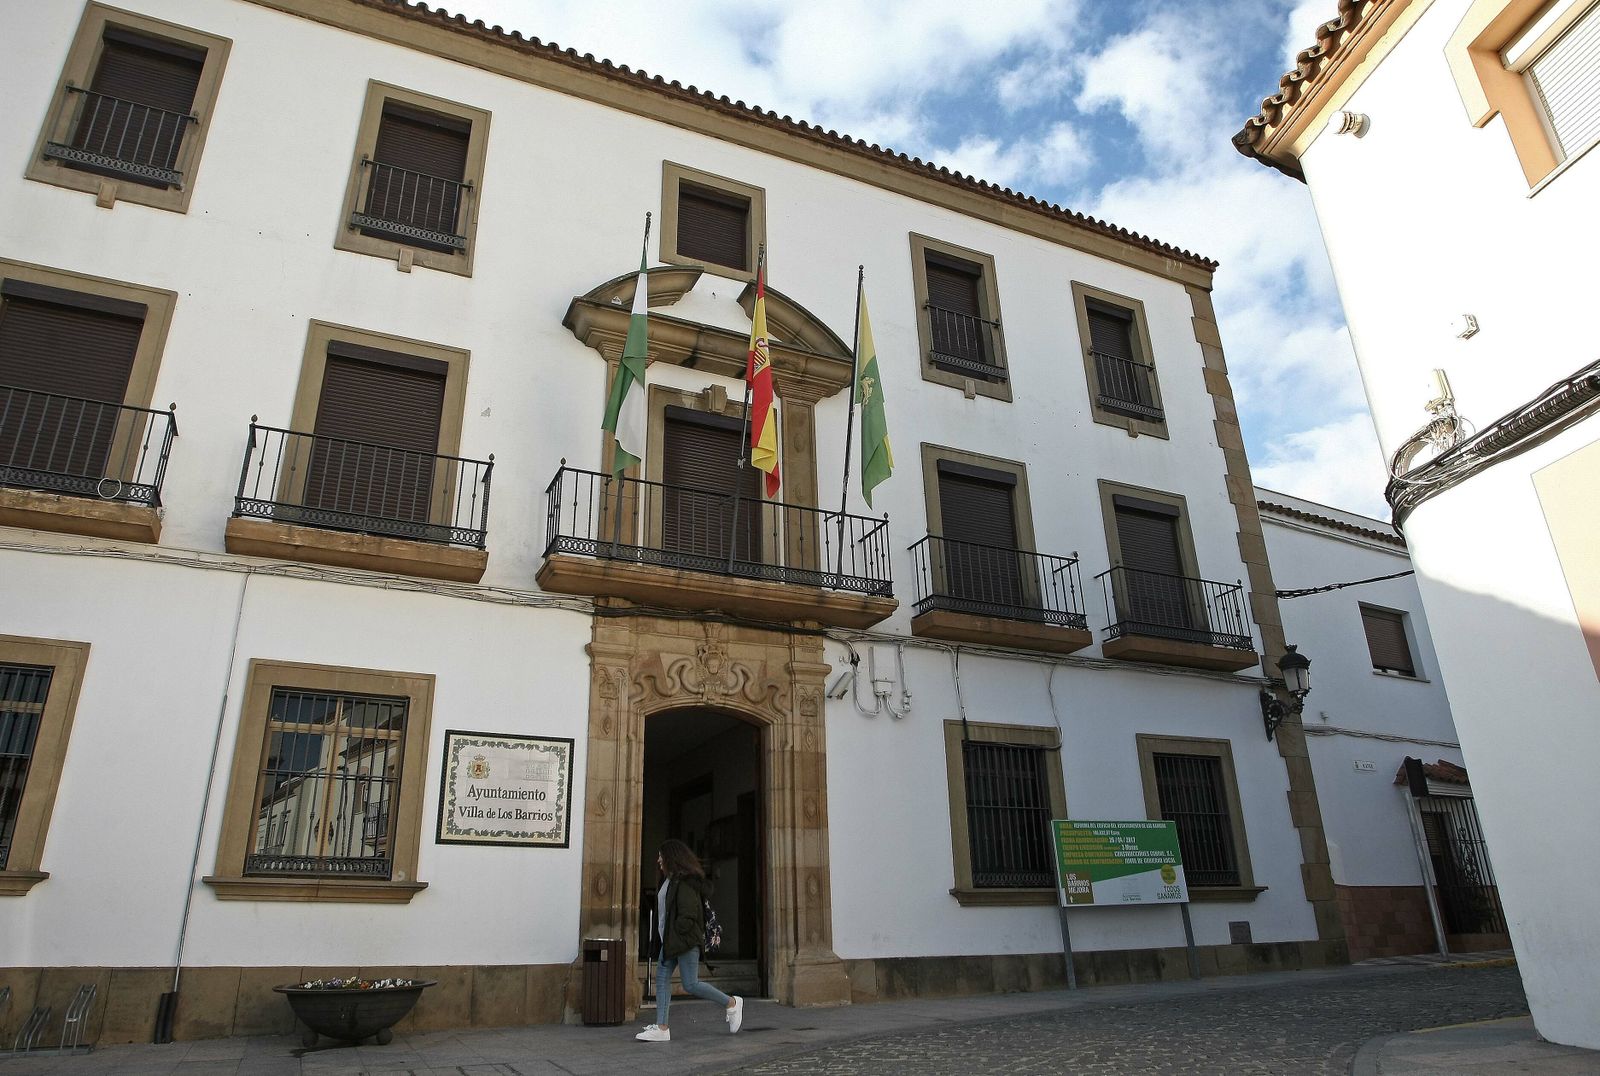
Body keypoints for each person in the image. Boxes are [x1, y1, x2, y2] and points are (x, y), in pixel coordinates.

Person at [636, 838, 743, 1042]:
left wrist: (676, 934)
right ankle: (662, 1027)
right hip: (672, 941)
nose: (658, 860)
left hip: (683, 941)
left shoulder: (684, 882)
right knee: (662, 980)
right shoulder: (670, 879)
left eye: (661, 855)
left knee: (690, 984)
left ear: (671, 857)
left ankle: (732, 1003)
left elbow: (687, 914)